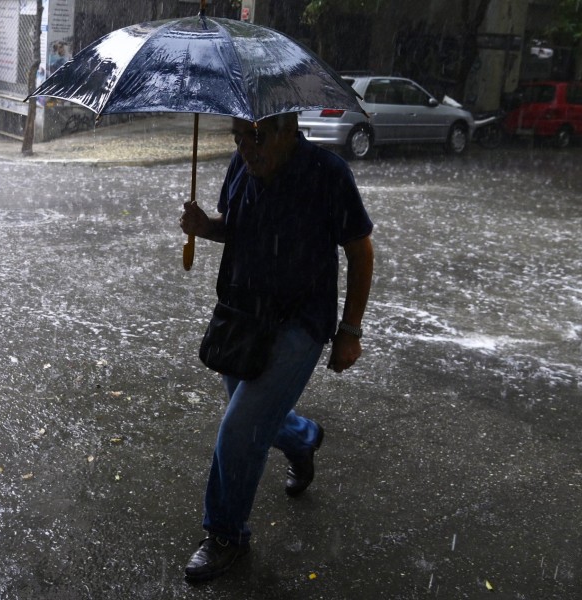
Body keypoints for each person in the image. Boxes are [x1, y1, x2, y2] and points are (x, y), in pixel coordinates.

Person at [178, 112, 374, 582]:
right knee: (252, 417)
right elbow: (237, 225)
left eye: (258, 137)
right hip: (242, 317)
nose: (248, 148)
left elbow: (359, 250)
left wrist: (350, 330)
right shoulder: (240, 166)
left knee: (239, 429)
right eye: (240, 137)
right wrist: (206, 227)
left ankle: (226, 536)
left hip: (299, 323)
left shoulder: (328, 174)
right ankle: (302, 437)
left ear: (289, 130)